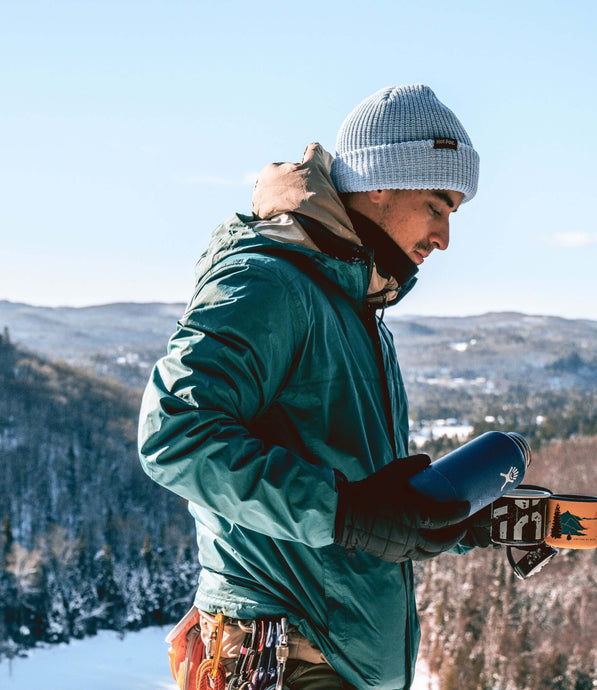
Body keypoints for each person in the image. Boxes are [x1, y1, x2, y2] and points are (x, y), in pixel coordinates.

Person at [138, 84, 488, 690]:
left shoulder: (356, 310)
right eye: (437, 205)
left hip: (338, 658)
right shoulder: (269, 282)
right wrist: (346, 512)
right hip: (281, 655)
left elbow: (368, 499)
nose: (444, 237)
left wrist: (447, 518)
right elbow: (175, 435)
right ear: (382, 181)